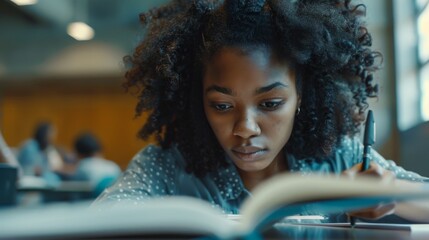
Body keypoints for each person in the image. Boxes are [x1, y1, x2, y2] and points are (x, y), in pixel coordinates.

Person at [94, 0, 428, 221]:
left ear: (301, 94)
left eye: (270, 104)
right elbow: (103, 220)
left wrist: (389, 195)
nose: (245, 128)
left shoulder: (338, 156)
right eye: (222, 106)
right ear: (198, 102)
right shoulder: (168, 167)